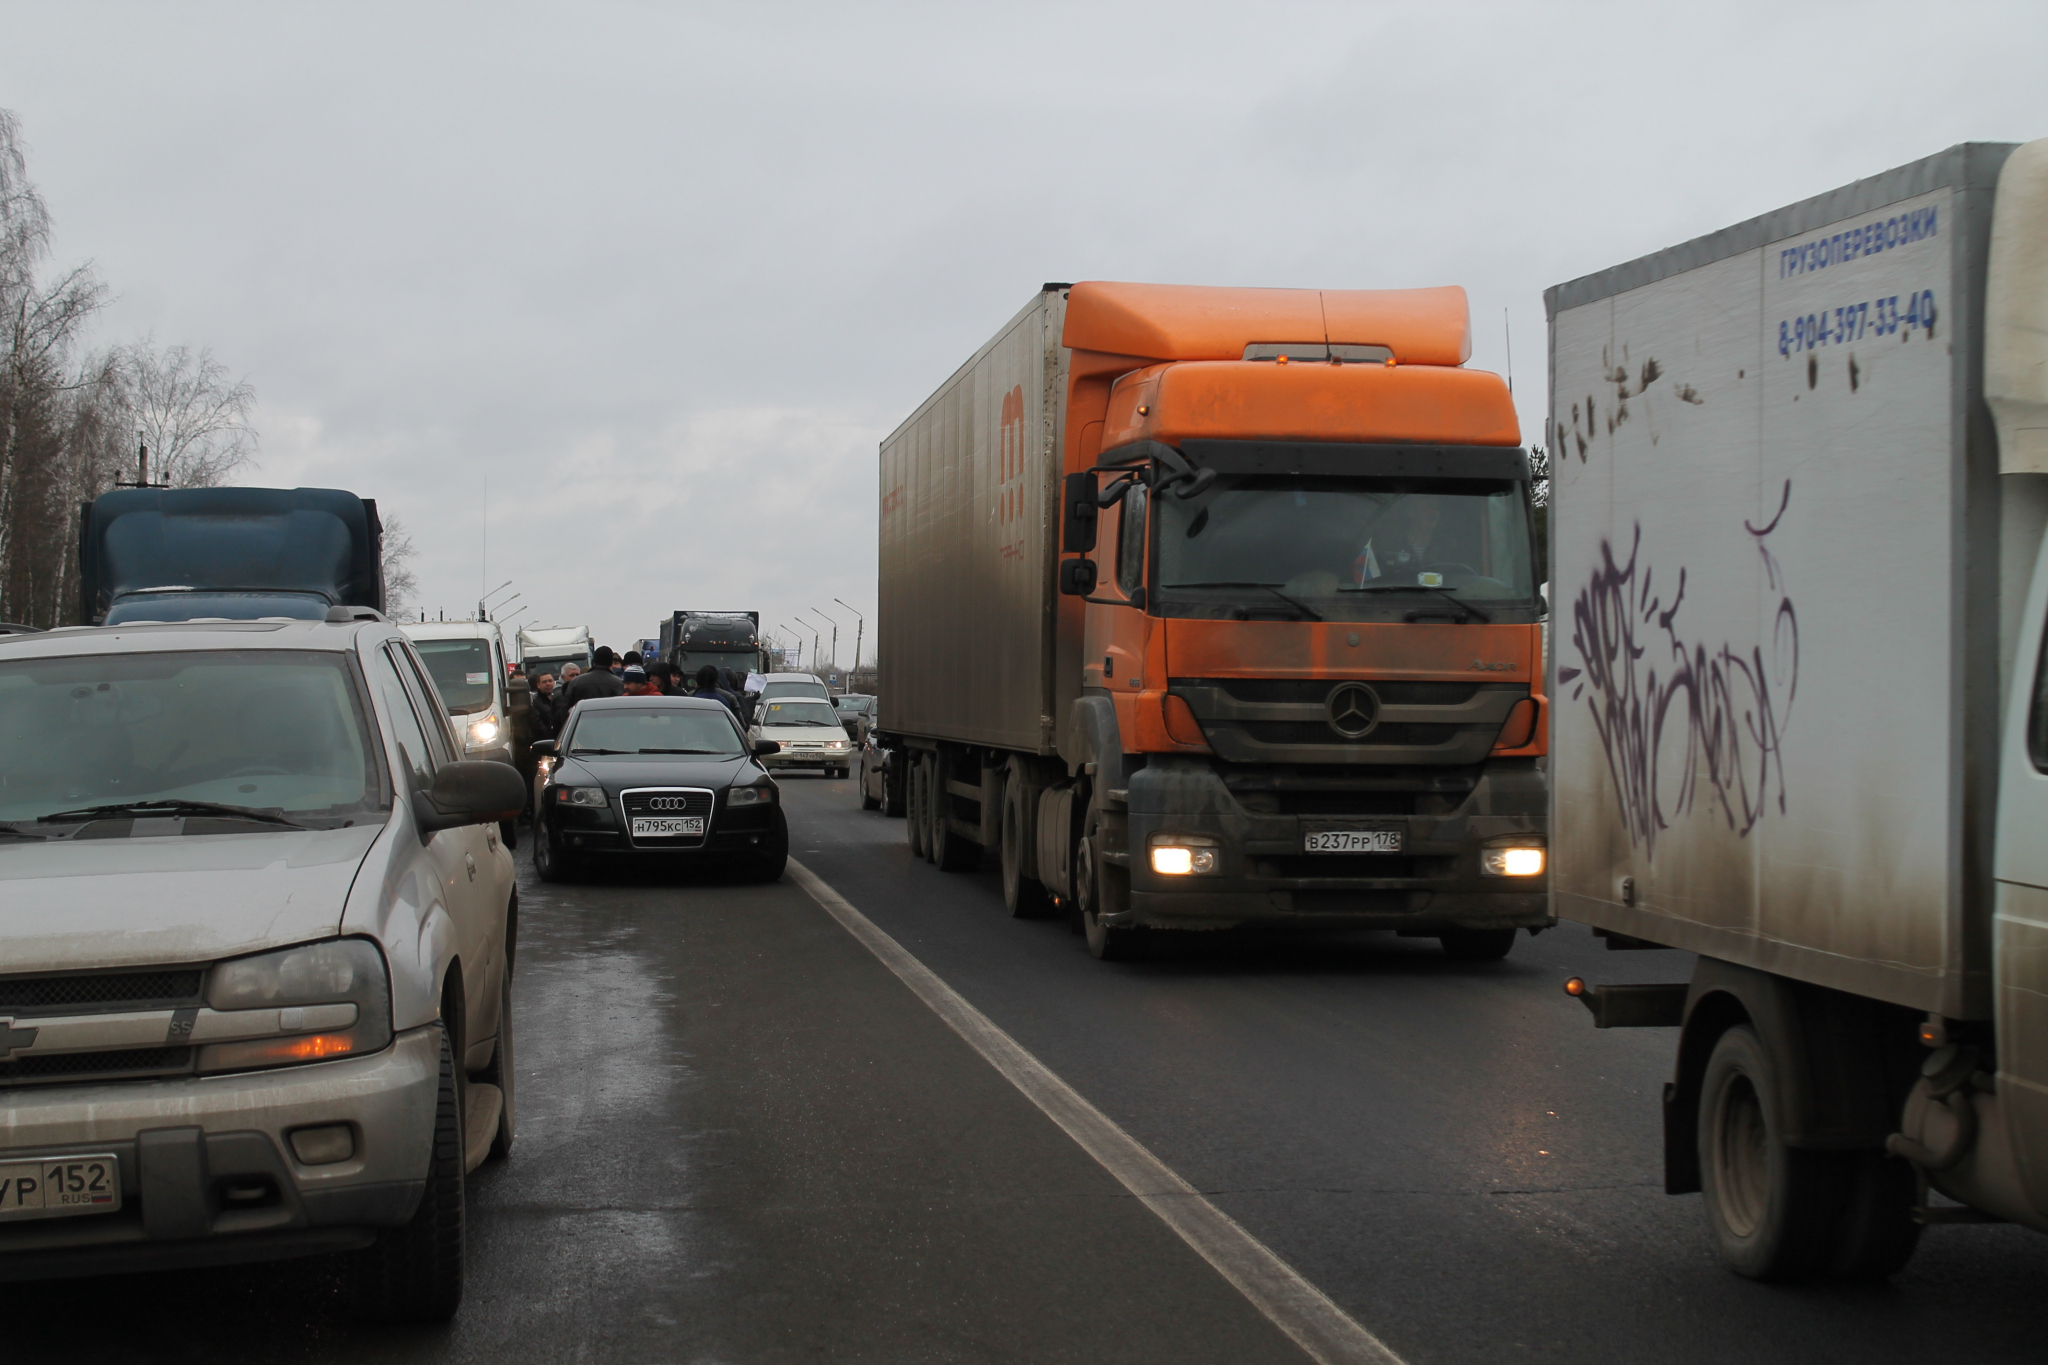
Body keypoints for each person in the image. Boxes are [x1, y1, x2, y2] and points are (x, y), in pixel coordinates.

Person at [1356, 493, 1444, 584]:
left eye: (1436, 507)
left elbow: (1456, 580)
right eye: (1428, 507)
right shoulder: (1388, 547)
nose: (1433, 512)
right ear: (1411, 512)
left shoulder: (1448, 548)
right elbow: (1372, 582)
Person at [560, 646, 626, 716]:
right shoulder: (619, 684)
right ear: (611, 664)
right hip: (612, 724)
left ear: (593, 662)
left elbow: (565, 712)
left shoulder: (575, 682)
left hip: (583, 725)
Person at [529, 671, 562, 740]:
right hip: (546, 740)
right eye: (544, 682)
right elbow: (537, 724)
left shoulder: (561, 698)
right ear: (538, 685)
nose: (548, 684)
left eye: (550, 681)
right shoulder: (535, 701)